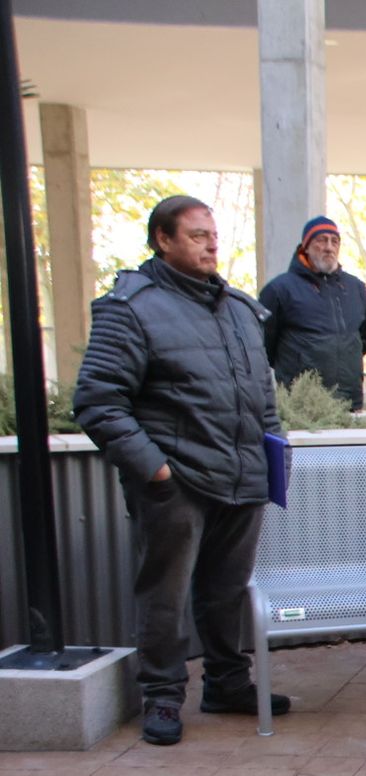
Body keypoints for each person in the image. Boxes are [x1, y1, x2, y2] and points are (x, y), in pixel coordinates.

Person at [74, 195, 291, 746]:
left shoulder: (240, 309)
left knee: (226, 590)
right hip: (177, 484)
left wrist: (274, 453)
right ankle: (163, 696)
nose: (211, 245)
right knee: (164, 596)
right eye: (197, 236)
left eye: (213, 235)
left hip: (242, 478)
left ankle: (227, 683)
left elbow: (262, 397)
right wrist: (156, 471)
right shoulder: (131, 307)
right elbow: (98, 402)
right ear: (163, 240)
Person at [259, 216, 366, 410]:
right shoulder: (279, 289)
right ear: (305, 246)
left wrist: (342, 356)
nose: (329, 247)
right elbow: (263, 344)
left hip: (348, 402)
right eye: (321, 240)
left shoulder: (356, 288)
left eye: (334, 241)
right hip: (300, 405)